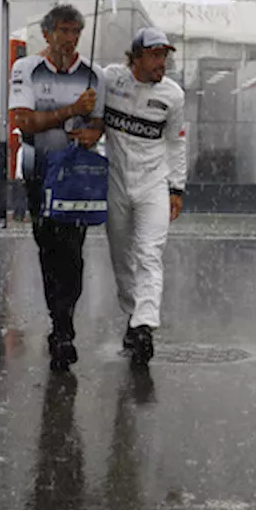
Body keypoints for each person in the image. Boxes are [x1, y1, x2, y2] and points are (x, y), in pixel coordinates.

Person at [8, 4, 106, 371]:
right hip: (39, 174)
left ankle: (63, 327)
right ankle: (59, 323)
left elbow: (100, 126)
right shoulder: (26, 70)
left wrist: (91, 131)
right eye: (62, 31)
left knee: (74, 254)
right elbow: (25, 122)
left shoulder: (94, 74)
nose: (69, 39)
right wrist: (70, 110)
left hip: (77, 180)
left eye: (75, 32)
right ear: (47, 34)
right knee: (49, 250)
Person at [100, 27, 188, 366]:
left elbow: (177, 143)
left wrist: (176, 188)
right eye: (154, 55)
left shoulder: (173, 96)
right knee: (123, 259)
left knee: (149, 253)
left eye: (164, 55)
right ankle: (133, 316)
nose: (161, 62)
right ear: (135, 57)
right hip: (116, 182)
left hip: (154, 184)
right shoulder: (111, 79)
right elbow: (92, 117)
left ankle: (145, 326)